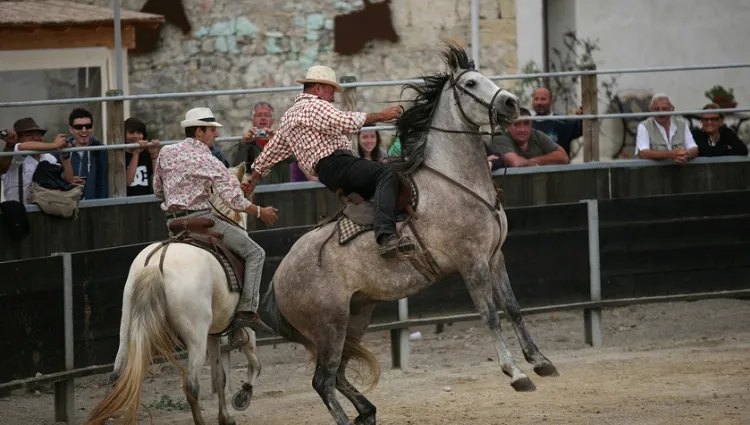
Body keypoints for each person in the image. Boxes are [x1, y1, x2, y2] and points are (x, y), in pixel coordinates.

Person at [248, 65, 414, 258]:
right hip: (339, 163)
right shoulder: (315, 105)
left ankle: (380, 226)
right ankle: (386, 236)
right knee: (386, 174)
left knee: (379, 187)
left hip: (329, 173)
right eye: (331, 91)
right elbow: (345, 120)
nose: (333, 98)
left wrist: (252, 179)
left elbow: (270, 152)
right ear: (318, 88)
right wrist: (382, 116)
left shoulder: (287, 118)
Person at [153, 107, 279, 332]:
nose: (216, 135)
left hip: (172, 224)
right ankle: (247, 311)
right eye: (212, 130)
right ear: (199, 132)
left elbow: (158, 191)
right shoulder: (208, 160)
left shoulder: (166, 152)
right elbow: (234, 201)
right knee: (255, 253)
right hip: (201, 220)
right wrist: (260, 212)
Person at [488, 107, 569, 167]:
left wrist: (533, 161)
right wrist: (536, 165)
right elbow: (516, 162)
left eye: (526, 124)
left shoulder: (536, 134)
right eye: (516, 124)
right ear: (508, 126)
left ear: (531, 125)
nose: (522, 129)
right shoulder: (499, 136)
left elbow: (563, 157)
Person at [635, 93, 698, 164]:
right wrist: (671, 154)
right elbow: (643, 153)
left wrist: (685, 154)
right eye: (657, 109)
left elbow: (694, 149)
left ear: (672, 109)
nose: (660, 112)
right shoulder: (644, 126)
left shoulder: (682, 124)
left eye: (664, 109)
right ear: (651, 110)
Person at [123, 117, 160, 197]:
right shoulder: (120, 155)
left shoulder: (146, 153)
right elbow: (127, 182)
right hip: (126, 202)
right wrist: (136, 154)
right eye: (131, 132)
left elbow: (159, 180)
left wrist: (154, 155)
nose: (135, 136)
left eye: (139, 133)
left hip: (145, 201)